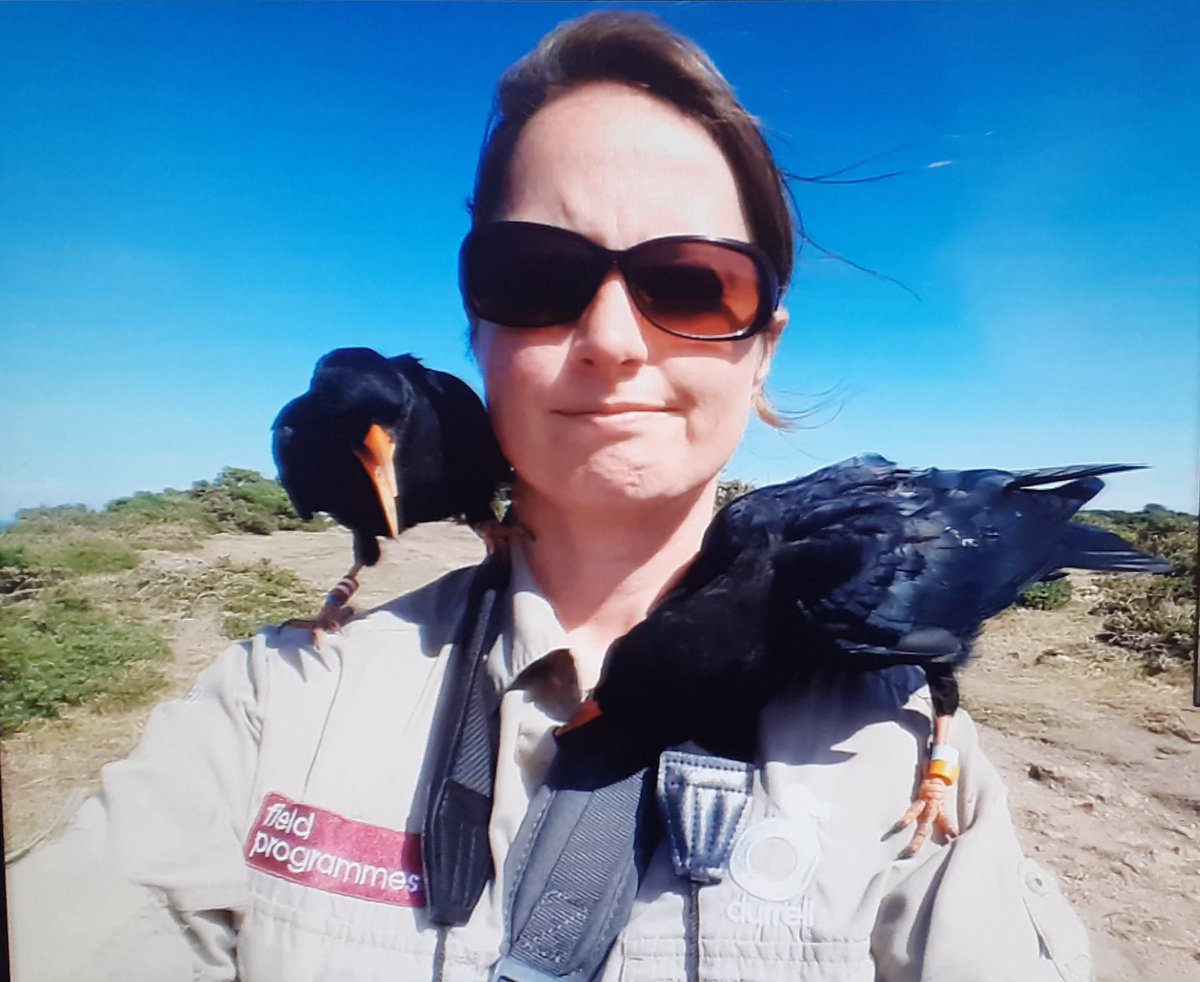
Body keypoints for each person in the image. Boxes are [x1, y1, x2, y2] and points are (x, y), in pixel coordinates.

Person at [6, 11, 1093, 981]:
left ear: (762, 350)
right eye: (536, 278)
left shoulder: (898, 740)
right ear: (477, 333)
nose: (613, 342)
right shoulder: (274, 709)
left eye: (691, 285)